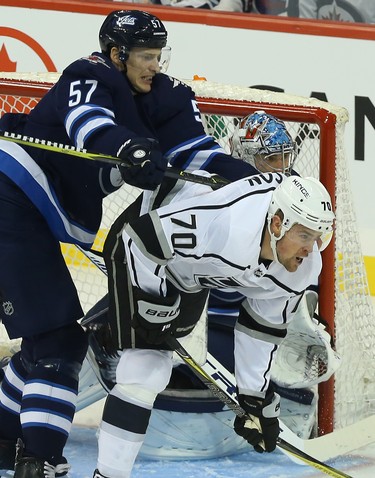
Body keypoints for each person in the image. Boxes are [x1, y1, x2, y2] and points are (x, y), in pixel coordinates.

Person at [0, 9, 258, 478]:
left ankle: (3, 436)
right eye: (144, 55)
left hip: (34, 213)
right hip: (9, 195)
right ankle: (39, 461)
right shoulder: (89, 73)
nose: (153, 65)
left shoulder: (169, 95)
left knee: (50, 343)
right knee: (58, 342)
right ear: (116, 55)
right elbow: (88, 122)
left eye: (158, 55)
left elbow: (199, 154)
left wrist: (261, 182)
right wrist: (127, 147)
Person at [91, 169, 334, 477]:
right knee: (146, 371)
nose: (309, 249)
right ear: (277, 223)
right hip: (142, 245)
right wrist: (153, 303)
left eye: (316, 238)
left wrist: (252, 396)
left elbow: (261, 327)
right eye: (304, 235)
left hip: (191, 274)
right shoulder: (228, 226)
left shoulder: (301, 266)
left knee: (153, 364)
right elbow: (140, 239)